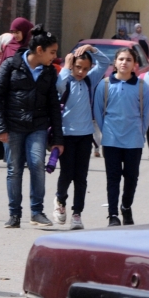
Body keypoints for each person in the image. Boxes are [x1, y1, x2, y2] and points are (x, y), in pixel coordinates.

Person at [0, 25, 64, 229]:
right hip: (12, 127)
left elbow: (53, 106)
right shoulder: (11, 65)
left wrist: (58, 139)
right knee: (14, 170)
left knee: (37, 165)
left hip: (38, 126)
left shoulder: (49, 72)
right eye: (52, 52)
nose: (55, 57)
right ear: (39, 51)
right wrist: (0, 127)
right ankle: (14, 214)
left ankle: (37, 212)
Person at [94, 46, 149, 227]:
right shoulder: (104, 85)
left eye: (128, 60)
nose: (124, 63)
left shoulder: (142, 87)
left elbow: (147, 114)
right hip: (111, 140)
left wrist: (139, 132)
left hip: (133, 140)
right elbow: (98, 112)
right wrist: (108, 132)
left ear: (135, 64)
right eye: (121, 59)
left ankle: (126, 207)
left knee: (131, 177)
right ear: (115, 62)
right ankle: (113, 214)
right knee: (113, 177)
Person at [54, 44, 109, 231]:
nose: (81, 71)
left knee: (81, 177)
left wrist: (92, 49)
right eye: (78, 67)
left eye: (85, 68)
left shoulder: (89, 80)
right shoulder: (66, 78)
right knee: (67, 173)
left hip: (85, 136)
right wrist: (66, 67)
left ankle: (77, 213)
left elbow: (105, 62)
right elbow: (58, 86)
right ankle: (60, 199)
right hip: (66, 135)